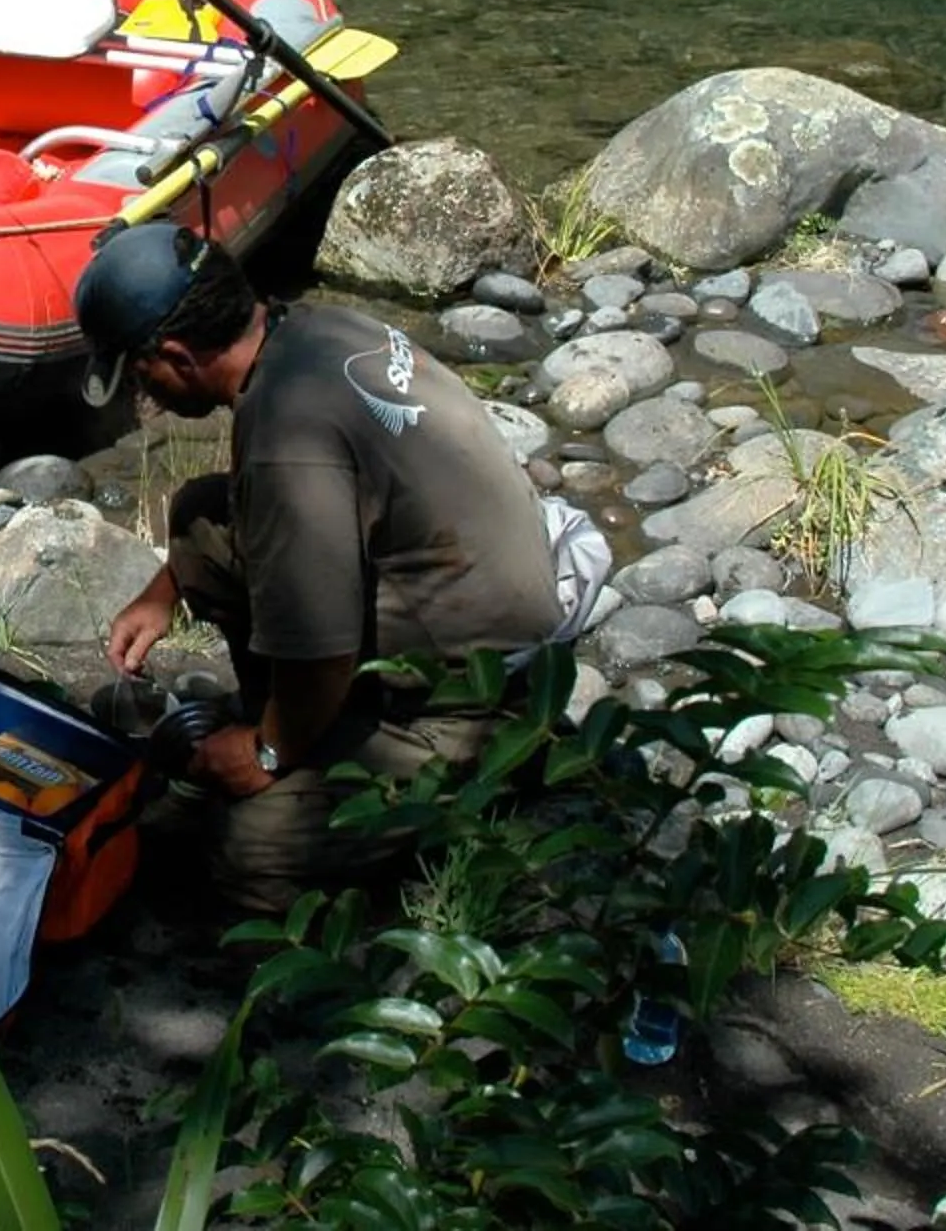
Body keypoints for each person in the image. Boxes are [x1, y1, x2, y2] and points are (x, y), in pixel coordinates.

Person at [81, 222, 607, 913]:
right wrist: (164, 588)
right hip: (490, 606)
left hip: (469, 689)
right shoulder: (316, 331)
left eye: (141, 375)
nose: (143, 396)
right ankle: (307, 735)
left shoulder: (285, 439)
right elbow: (264, 524)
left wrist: (266, 751)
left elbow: (322, 651)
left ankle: (486, 777)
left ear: (177, 354)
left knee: (243, 854)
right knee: (203, 514)